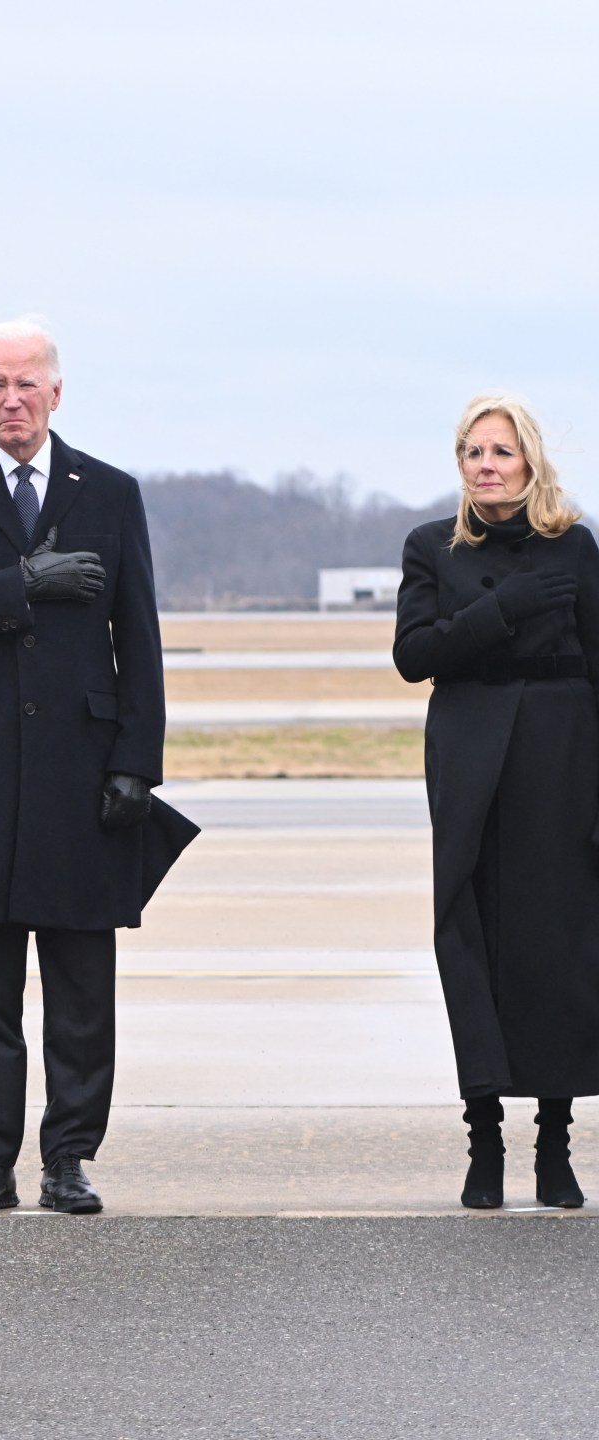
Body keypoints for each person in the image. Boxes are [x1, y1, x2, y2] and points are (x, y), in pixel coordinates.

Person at [0, 315, 196, 1217]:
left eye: (27, 383)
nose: (11, 399)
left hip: (82, 760)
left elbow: (138, 635)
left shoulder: (107, 491)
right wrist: (20, 587)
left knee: (79, 973)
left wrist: (139, 759)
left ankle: (69, 1156)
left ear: (57, 391)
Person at [392, 391, 599, 1211]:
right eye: (473, 452)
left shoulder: (574, 547)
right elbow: (414, 656)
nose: (486, 465)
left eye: (501, 452)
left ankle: (555, 1139)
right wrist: (499, 610)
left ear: (530, 460)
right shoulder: (430, 547)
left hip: (563, 755)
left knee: (558, 941)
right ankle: (485, 1134)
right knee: (468, 930)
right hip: (471, 750)